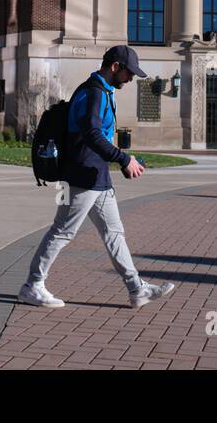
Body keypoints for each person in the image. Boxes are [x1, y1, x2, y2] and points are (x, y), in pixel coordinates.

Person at [18, 45, 176, 310]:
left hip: (97, 177)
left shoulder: (101, 90)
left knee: (114, 233)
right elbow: (91, 134)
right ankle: (33, 285)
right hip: (81, 176)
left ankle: (137, 289)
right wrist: (124, 159)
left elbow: (97, 136)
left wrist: (120, 162)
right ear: (115, 67)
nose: (131, 78)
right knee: (63, 231)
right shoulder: (93, 92)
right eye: (129, 73)